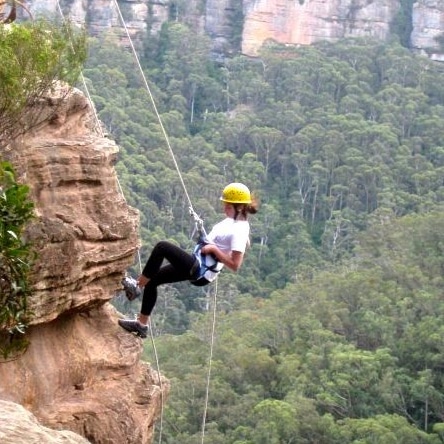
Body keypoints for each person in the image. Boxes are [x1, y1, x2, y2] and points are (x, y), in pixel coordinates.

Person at [118, 182, 259, 338]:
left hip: (201, 270)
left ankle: (137, 286)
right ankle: (141, 325)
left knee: (162, 247)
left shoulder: (240, 230)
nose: (224, 208)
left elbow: (235, 264)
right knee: (154, 280)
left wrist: (213, 249)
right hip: (197, 262)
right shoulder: (231, 221)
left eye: (228, 206)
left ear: (239, 208)